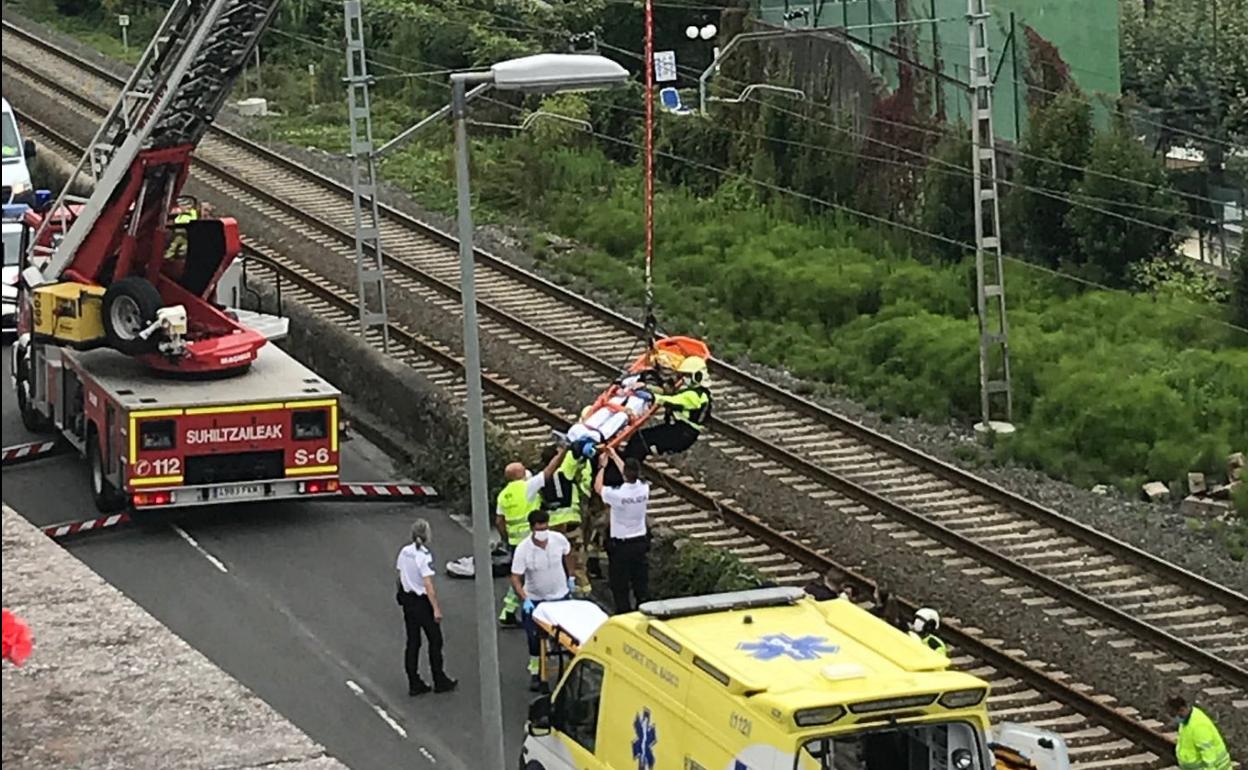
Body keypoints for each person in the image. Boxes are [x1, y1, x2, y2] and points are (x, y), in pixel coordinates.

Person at [494, 448, 564, 626]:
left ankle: (508, 610)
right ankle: (522, 610)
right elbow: (549, 472)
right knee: (530, 577)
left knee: (519, 575)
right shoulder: (528, 486)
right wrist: (561, 454)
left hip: (514, 541)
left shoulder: (503, 495)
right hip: (531, 541)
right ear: (520, 474)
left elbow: (499, 521)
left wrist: (506, 538)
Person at [510, 509, 574, 692]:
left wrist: (570, 578)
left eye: (545, 527)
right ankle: (536, 672)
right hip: (537, 601)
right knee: (534, 638)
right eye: (539, 528)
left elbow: (568, 555)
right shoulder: (523, 550)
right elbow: (515, 578)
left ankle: (567, 672)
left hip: (560, 597)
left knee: (565, 638)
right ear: (532, 529)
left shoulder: (558, 540)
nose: (543, 532)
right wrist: (525, 599)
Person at [395, 519, 456, 696]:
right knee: (435, 640)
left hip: (408, 600)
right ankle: (439, 679)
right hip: (422, 602)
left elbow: (400, 575)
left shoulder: (405, 552)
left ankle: (414, 681)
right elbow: (428, 585)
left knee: (413, 641)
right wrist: (436, 608)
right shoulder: (424, 556)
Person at [594, 448, 651, 613]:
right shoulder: (644, 489)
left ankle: (623, 612)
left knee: (620, 584)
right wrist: (614, 455)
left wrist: (602, 467)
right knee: (640, 581)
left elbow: (598, 487)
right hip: (640, 542)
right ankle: (644, 610)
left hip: (621, 546)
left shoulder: (617, 495)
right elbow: (628, 474)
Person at [626, 356, 712, 458]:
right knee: (641, 440)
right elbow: (668, 394)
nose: (684, 379)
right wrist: (648, 388)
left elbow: (670, 400)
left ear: (697, 376)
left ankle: (628, 469)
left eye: (687, 375)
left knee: (639, 441)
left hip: (681, 434)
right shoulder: (700, 393)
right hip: (682, 432)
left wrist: (652, 397)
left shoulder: (693, 396)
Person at [545, 446, 593, 596]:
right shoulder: (564, 470)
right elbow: (575, 456)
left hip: (552, 524)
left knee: (555, 558)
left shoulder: (542, 478)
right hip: (570, 521)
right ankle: (581, 589)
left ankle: (559, 588)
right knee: (575, 556)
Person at [1166, 695, 1232, 770]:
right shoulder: (1186, 720)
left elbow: (1209, 757)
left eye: (1173, 715)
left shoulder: (1199, 726)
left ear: (1181, 710)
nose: (1173, 719)